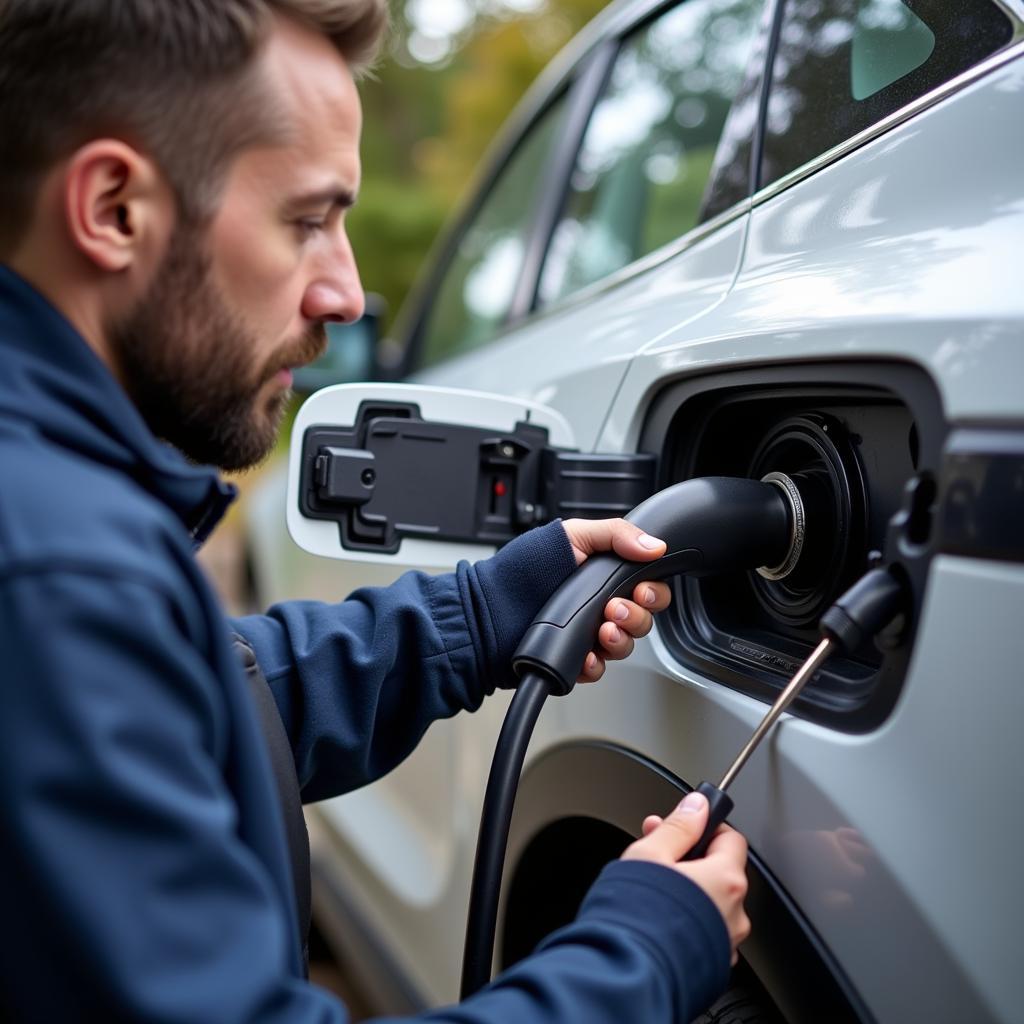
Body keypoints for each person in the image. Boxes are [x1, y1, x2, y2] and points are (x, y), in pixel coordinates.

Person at [0, 2, 750, 1021]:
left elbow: (207, 699)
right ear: (114, 207)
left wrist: (482, 614)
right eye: (307, 221)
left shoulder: (48, 518)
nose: (346, 293)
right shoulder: (53, 571)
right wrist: (643, 954)